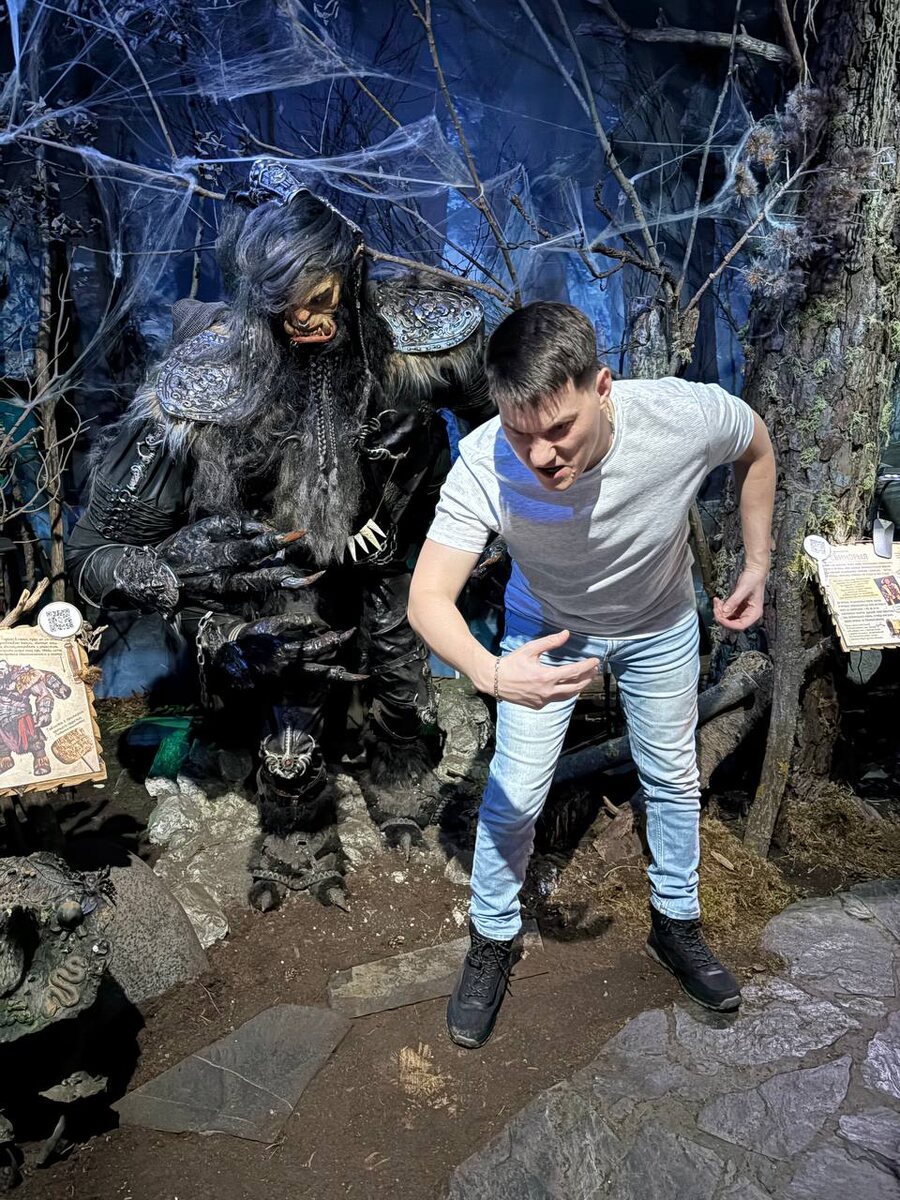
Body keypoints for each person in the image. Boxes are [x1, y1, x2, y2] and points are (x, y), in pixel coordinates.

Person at [68, 158, 493, 909]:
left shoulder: (421, 342)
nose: (305, 321)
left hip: (395, 540)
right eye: (283, 306)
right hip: (276, 566)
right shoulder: (206, 386)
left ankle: (399, 770)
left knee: (400, 659)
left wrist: (489, 534)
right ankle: (296, 836)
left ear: (352, 274)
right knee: (288, 681)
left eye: (320, 298)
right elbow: (93, 553)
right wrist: (167, 569)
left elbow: (506, 427)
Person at [408, 301, 776, 1048]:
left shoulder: (679, 416)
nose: (541, 455)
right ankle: (492, 936)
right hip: (546, 630)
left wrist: (758, 564)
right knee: (516, 789)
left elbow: (757, 446)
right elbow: (427, 597)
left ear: (602, 388)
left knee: (671, 774)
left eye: (559, 429)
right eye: (521, 432)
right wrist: (490, 672)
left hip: (658, 622)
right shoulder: (486, 460)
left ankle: (676, 923)